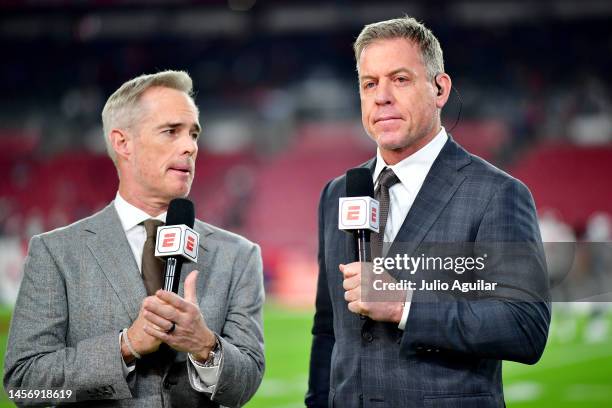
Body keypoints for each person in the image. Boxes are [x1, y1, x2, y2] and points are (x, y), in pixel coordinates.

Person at [306, 17, 550, 408]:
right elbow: (327, 328)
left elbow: (525, 327)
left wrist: (404, 304)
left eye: (399, 79)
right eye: (370, 84)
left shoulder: (497, 194)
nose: (381, 96)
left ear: (440, 89)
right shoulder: (338, 194)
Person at [4, 71, 264, 408]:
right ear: (122, 142)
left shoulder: (238, 255)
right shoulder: (56, 253)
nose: (190, 146)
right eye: (171, 131)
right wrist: (125, 346)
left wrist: (205, 345)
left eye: (193, 134)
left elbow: (244, 387)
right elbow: (25, 388)